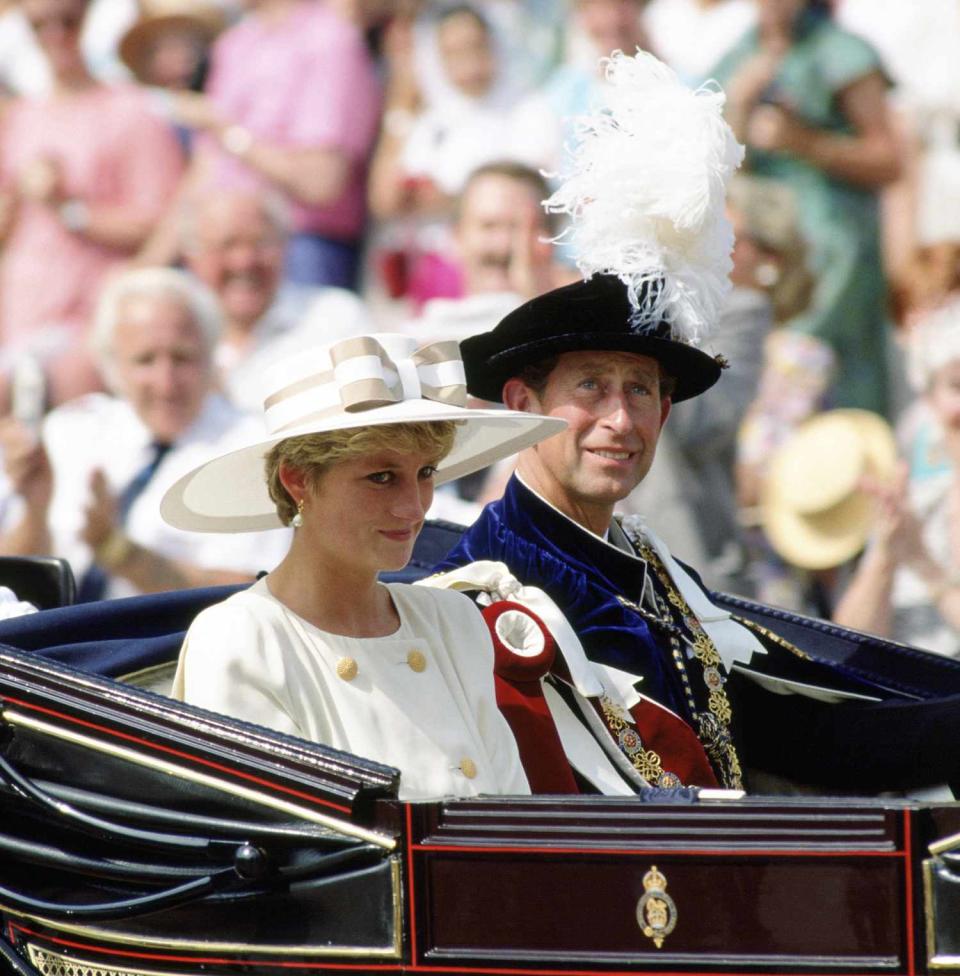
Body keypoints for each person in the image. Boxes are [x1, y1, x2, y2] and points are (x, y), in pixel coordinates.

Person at [431, 50, 960, 797]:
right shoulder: (488, 594)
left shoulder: (652, 570)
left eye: (641, 390)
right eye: (591, 386)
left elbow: (792, 733)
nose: (620, 418)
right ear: (521, 406)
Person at [166, 332, 564, 799]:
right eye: (381, 478)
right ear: (298, 480)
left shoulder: (453, 621)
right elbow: (284, 848)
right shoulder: (241, 639)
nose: (413, 508)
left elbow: (509, 824)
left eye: (425, 473)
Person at [0, 267, 290, 600]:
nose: (165, 383)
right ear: (112, 366)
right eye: (145, 360)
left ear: (213, 357)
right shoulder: (71, 431)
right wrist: (35, 508)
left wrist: (118, 550)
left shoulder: (253, 449)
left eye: (182, 358)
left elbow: (250, 594)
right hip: (55, 642)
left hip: (169, 647)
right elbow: (11, 584)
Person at [710, 0, 902, 417]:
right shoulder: (735, 59)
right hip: (765, 255)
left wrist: (805, 143)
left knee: (836, 390)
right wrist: (739, 108)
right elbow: (719, 166)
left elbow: (890, 159)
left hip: (836, 259)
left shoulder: (842, 53)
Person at [0, 0, 184, 408]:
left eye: (66, 21)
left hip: (89, 322)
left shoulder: (133, 111)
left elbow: (162, 224)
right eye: (38, 26)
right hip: (21, 316)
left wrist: (69, 209)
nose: (53, 35)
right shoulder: (21, 117)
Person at [833, 297, 960, 657]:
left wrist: (924, 565)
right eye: (956, 386)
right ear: (930, 399)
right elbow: (847, 651)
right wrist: (887, 555)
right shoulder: (916, 503)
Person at [180, 189, 371, 412]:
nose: (244, 261)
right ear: (191, 257)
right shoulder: (172, 336)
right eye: (227, 245)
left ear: (286, 247)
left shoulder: (335, 318)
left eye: (261, 243)